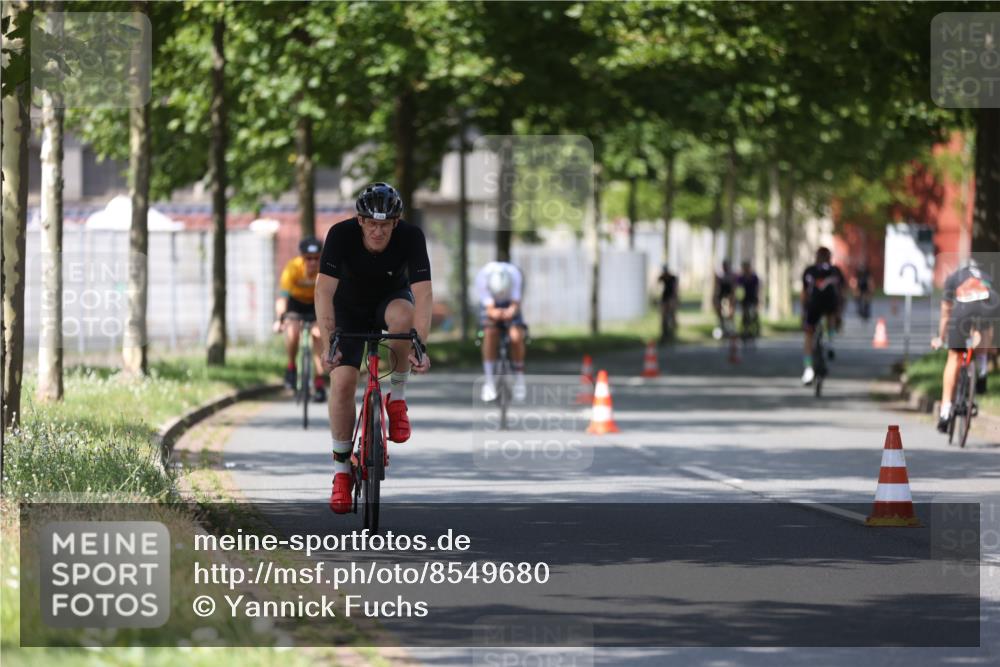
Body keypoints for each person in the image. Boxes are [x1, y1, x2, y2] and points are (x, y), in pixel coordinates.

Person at [315, 182, 433, 514]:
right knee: (341, 383)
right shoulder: (340, 235)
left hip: (389, 301)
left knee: (403, 318)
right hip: (347, 308)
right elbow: (323, 291)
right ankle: (341, 472)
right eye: (371, 223)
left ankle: (396, 400)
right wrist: (328, 344)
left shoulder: (412, 237)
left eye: (385, 224)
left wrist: (419, 344)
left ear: (396, 222)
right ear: (360, 220)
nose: (378, 231)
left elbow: (423, 295)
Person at [931, 260, 998, 433]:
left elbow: (946, 312)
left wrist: (941, 337)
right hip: (990, 305)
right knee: (985, 328)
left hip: (964, 309)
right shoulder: (987, 277)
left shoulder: (953, 278)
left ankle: (945, 411)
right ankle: (982, 367)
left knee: (954, 356)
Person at [274, 236, 326, 402]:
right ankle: (291, 367)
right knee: (292, 332)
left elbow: (330, 296)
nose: (312, 262)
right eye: (308, 258)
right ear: (302, 257)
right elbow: (282, 298)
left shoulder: (325, 269)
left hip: (316, 304)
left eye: (316, 258)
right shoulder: (292, 268)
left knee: (318, 335)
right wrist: (280, 319)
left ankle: (319, 381)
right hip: (296, 304)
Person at [475, 261, 528, 402]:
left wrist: (510, 311)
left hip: (510, 303)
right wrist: (495, 313)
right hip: (490, 305)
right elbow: (489, 308)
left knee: (516, 336)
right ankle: (489, 381)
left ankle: (519, 378)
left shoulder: (515, 275)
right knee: (490, 333)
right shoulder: (483, 277)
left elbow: (515, 304)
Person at [800, 247, 845, 385]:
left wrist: (803, 312)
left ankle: (808, 370)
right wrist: (839, 313)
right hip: (830, 305)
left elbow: (805, 294)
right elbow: (841, 293)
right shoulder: (835, 271)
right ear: (829, 257)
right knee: (831, 316)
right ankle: (831, 343)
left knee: (808, 336)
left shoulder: (809, 271)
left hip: (813, 306)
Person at [712, 259, 737, 338]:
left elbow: (733, 288)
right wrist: (715, 298)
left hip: (729, 296)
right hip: (721, 295)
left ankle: (731, 327)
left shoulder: (731, 276)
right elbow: (717, 288)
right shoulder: (720, 276)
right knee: (719, 309)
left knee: (730, 310)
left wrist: (732, 299)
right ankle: (721, 323)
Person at [737, 260, 761, 338]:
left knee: (754, 314)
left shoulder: (754, 277)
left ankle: (756, 329)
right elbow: (738, 288)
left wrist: (758, 299)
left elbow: (757, 289)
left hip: (753, 297)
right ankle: (745, 330)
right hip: (745, 298)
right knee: (745, 314)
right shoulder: (741, 278)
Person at [657, 263, 678, 344]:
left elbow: (675, 289)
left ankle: (672, 332)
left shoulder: (673, 278)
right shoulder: (662, 277)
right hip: (664, 298)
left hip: (671, 298)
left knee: (672, 315)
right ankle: (664, 333)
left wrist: (674, 300)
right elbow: (657, 286)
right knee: (663, 316)